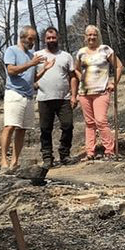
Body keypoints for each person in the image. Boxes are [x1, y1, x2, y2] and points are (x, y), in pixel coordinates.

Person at [0, 26, 50, 172]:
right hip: (14, 93)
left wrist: (45, 68)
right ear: (22, 37)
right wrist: (31, 63)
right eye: (30, 39)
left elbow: (33, 78)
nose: (32, 42)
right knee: (10, 126)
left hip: (28, 96)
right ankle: (3, 160)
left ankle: (15, 161)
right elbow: (11, 70)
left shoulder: (31, 55)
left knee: (22, 129)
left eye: (34, 39)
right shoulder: (12, 50)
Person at [75, 25, 124, 160]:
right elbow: (76, 69)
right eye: (89, 35)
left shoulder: (105, 50)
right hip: (84, 93)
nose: (91, 37)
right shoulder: (81, 52)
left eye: (94, 35)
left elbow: (119, 66)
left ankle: (109, 150)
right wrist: (82, 79)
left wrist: (114, 82)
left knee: (101, 121)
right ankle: (90, 152)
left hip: (101, 91)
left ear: (98, 36)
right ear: (85, 37)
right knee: (89, 123)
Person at [34, 26, 78, 168]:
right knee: (45, 129)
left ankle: (64, 154)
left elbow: (72, 77)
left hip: (63, 98)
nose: (51, 40)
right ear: (44, 39)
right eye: (48, 38)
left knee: (68, 125)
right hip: (44, 98)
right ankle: (47, 157)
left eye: (53, 37)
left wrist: (73, 95)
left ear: (58, 38)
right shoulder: (37, 56)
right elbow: (31, 77)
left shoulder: (66, 56)